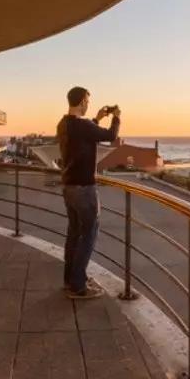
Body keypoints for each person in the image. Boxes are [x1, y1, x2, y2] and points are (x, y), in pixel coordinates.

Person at [56, 86, 121, 299]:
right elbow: (111, 135)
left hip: (69, 187)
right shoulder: (81, 126)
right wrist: (116, 118)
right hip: (84, 188)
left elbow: (84, 133)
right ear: (83, 100)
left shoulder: (64, 124)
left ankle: (70, 279)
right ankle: (79, 285)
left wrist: (97, 118)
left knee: (74, 233)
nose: (88, 105)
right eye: (88, 102)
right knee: (88, 234)